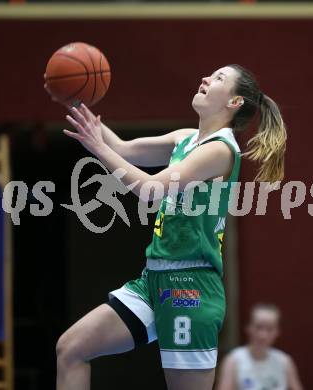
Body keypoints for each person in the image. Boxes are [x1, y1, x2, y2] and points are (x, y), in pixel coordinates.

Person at [55, 64, 287, 390]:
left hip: (189, 287)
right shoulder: (185, 139)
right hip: (153, 282)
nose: (205, 77)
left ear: (234, 102)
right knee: (71, 349)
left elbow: (150, 188)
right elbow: (124, 149)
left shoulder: (221, 150)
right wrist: (75, 101)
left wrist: (98, 148)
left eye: (219, 78)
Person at [215, 304, 303, 390]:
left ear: (277, 332)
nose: (263, 335)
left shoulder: (285, 361)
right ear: (249, 328)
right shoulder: (233, 360)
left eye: (269, 329)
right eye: (259, 327)